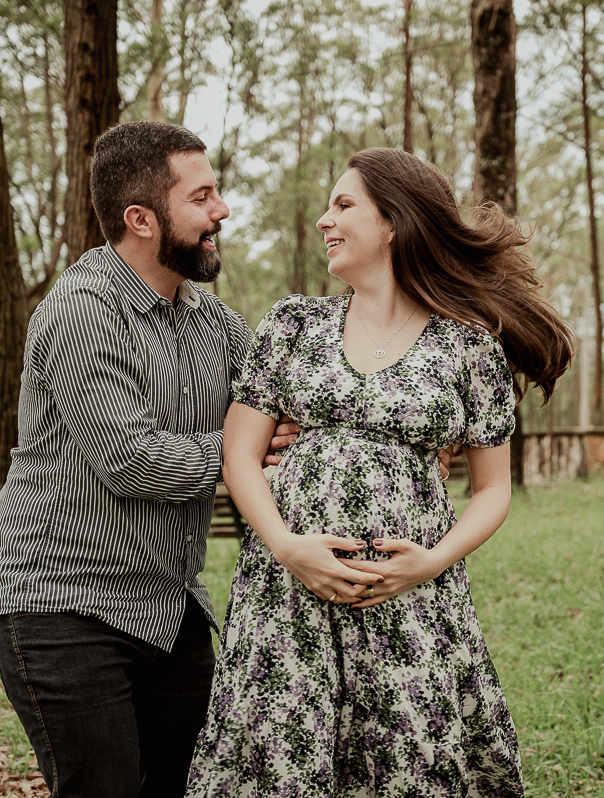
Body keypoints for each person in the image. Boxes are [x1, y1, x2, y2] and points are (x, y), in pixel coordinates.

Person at [187, 148, 574, 797]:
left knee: (404, 763)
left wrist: (431, 561)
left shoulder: (467, 346)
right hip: (288, 600)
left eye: (343, 205)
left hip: (410, 602)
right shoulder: (292, 326)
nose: (323, 221)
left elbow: (492, 489)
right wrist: (288, 547)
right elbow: (239, 457)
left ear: (394, 220)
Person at [0, 122, 334, 798]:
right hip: (63, 610)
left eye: (217, 193)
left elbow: (296, 413)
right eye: (202, 198)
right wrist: (244, 455)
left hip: (169, 609)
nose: (221, 211)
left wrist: (394, 447)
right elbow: (132, 459)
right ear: (140, 219)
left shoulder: (217, 324)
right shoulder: (83, 310)